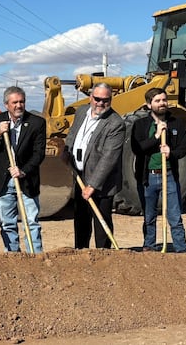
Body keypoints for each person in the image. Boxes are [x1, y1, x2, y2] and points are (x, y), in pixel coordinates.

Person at [0, 86, 46, 253]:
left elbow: (39, 154)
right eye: (14, 102)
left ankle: (35, 258)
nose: (19, 105)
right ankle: (13, 259)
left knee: (31, 222)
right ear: (6, 104)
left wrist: (23, 170)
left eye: (21, 101)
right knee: (7, 223)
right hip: (3, 181)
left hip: (27, 181)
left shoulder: (37, 123)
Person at [61, 82, 125, 249]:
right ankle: (81, 252)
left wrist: (93, 185)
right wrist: (66, 151)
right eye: (97, 99)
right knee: (81, 219)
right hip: (80, 174)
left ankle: (103, 256)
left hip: (102, 182)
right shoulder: (82, 111)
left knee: (101, 221)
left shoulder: (115, 123)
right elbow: (73, 133)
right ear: (91, 97)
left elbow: (109, 158)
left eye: (106, 100)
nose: (101, 103)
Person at [131, 87, 186, 252]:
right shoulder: (140, 125)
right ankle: (149, 247)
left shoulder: (177, 123)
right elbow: (138, 149)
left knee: (174, 217)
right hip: (148, 178)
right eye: (157, 101)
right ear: (149, 104)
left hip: (169, 176)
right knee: (149, 216)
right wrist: (156, 136)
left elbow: (182, 149)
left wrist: (171, 153)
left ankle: (181, 251)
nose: (162, 103)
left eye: (164, 100)